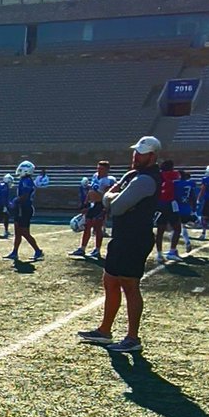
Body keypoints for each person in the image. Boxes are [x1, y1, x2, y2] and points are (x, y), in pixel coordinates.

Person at [77, 135, 163, 355]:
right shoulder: (133, 174)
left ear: (152, 156)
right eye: (136, 151)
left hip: (135, 237)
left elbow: (117, 206)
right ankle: (105, 330)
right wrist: (110, 197)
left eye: (141, 153)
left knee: (130, 286)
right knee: (110, 281)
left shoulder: (146, 179)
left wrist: (106, 198)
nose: (136, 155)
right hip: (122, 236)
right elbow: (113, 196)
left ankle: (132, 337)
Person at [68, 159, 114, 259]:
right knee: (87, 226)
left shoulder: (108, 181)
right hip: (92, 205)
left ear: (107, 170)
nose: (99, 170)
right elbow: (91, 190)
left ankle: (97, 250)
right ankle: (82, 248)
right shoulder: (95, 176)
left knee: (97, 228)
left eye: (101, 169)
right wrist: (86, 203)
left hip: (100, 205)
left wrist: (105, 207)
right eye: (98, 168)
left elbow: (107, 195)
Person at [5, 160, 44, 262]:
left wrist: (15, 201)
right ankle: (14, 252)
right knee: (17, 232)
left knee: (24, 232)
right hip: (21, 208)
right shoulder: (24, 180)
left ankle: (38, 250)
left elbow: (25, 196)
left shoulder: (27, 181)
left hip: (25, 208)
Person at [154, 158, 184, 263]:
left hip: (159, 204)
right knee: (177, 228)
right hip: (170, 203)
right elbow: (181, 178)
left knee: (160, 230)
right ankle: (171, 251)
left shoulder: (158, 176)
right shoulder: (174, 174)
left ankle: (159, 254)